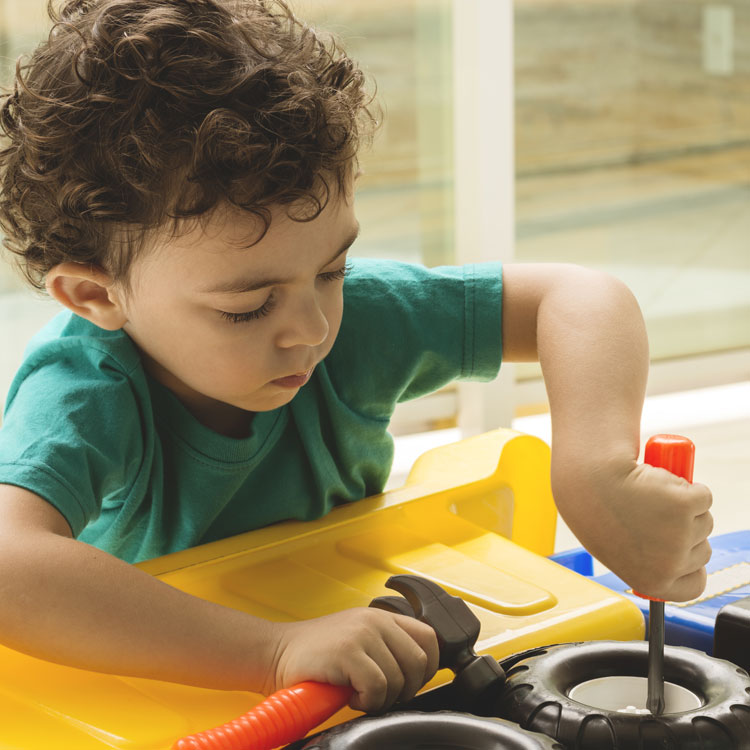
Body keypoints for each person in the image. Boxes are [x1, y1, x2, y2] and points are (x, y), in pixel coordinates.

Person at [0, 0, 712, 715]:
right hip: (160, 702)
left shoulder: (358, 318)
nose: (311, 327)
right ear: (95, 295)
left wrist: (593, 465)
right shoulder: (83, 391)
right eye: (247, 307)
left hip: (358, 660)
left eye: (332, 270)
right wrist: (272, 651)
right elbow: (9, 566)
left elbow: (579, 297)